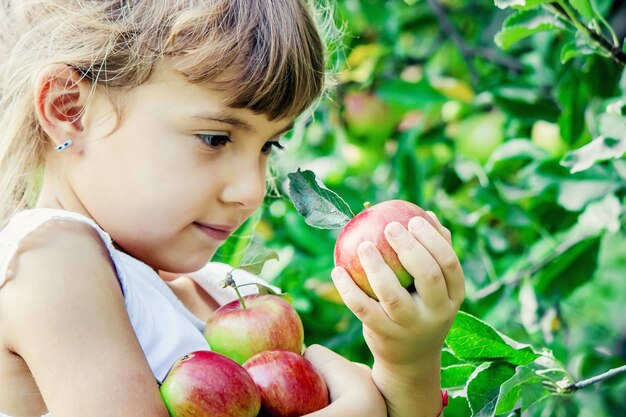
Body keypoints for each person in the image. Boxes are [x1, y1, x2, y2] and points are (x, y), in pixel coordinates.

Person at [0, 1, 464, 416]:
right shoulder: (51, 258)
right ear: (70, 109)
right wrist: (360, 406)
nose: (251, 189)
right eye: (215, 138)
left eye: (268, 147)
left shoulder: (231, 295)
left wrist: (407, 362)